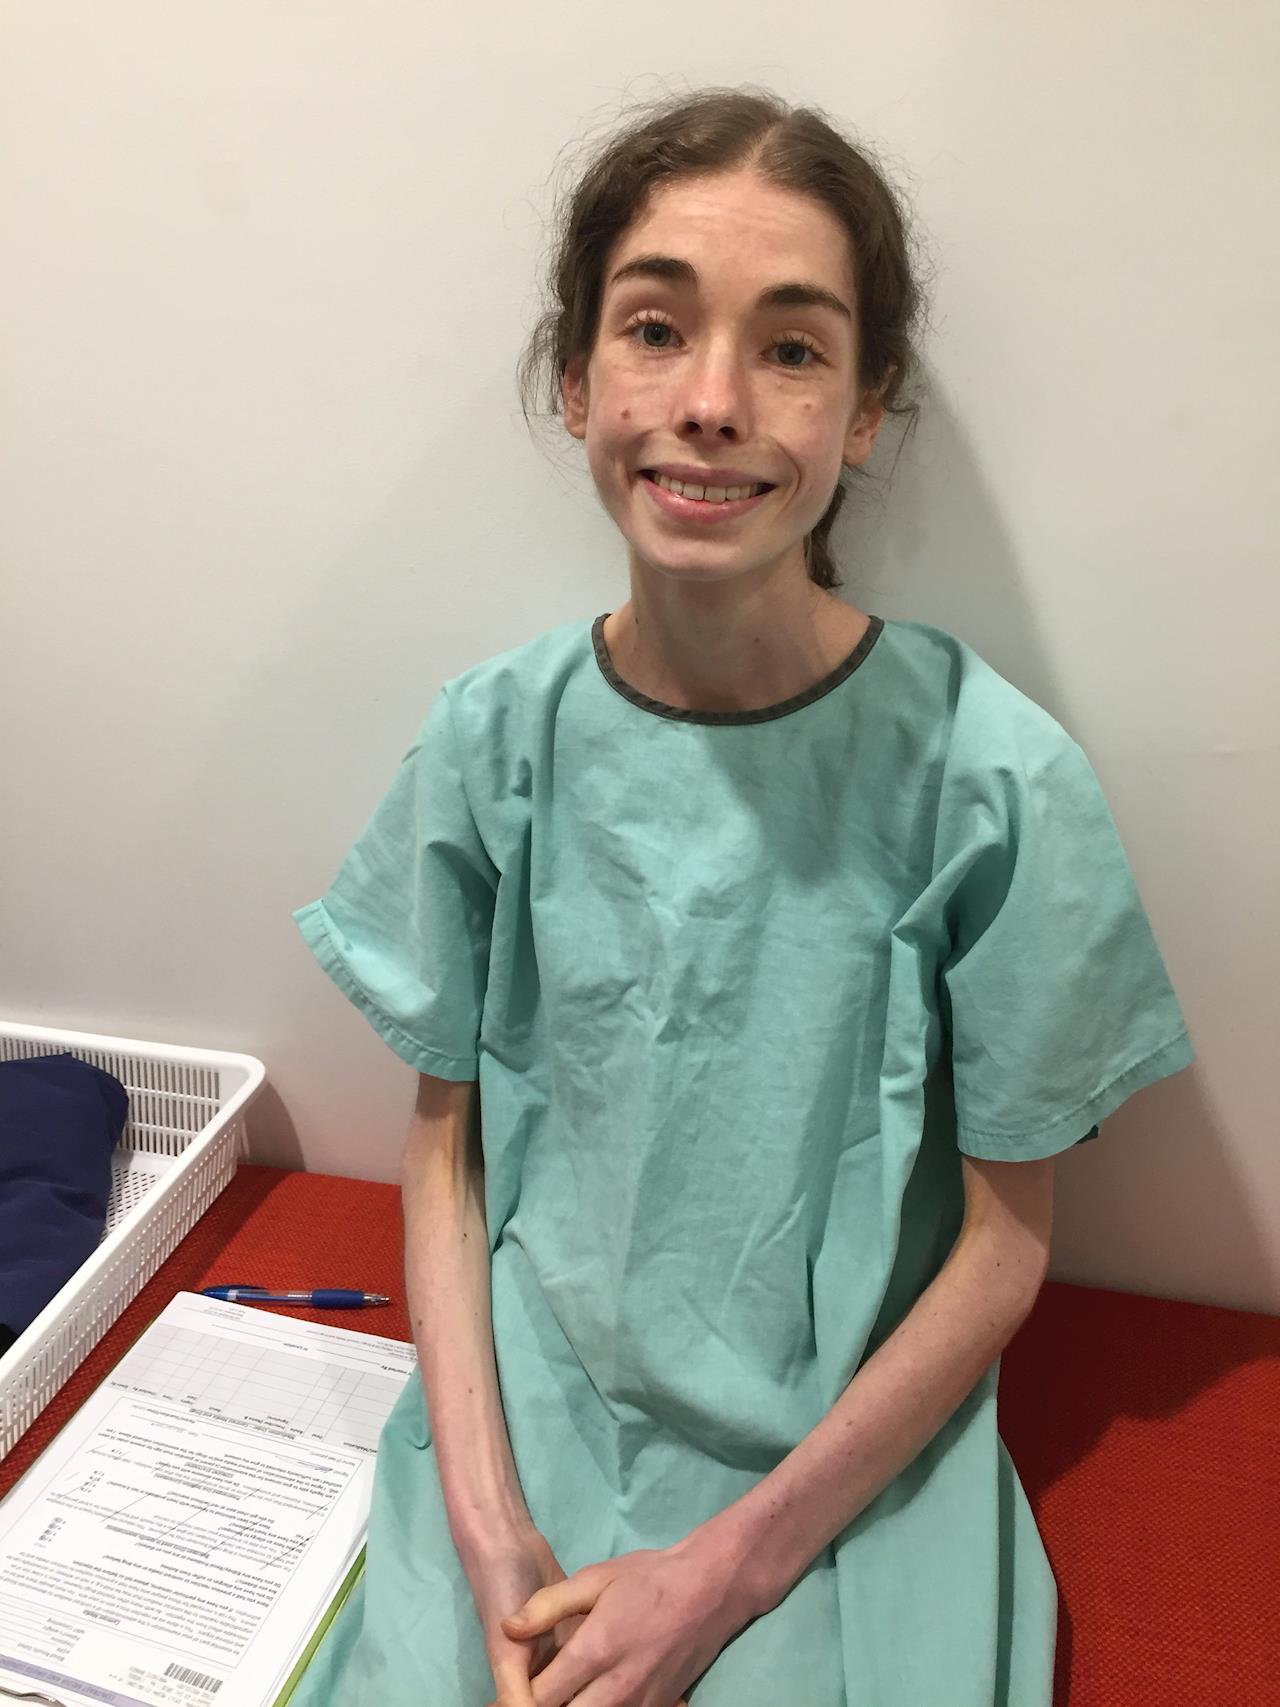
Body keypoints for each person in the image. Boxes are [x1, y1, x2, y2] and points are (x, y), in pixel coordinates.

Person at [290, 85, 1195, 1707]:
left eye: (790, 348)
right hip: (523, 1418)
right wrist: (487, 1529)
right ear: (577, 380)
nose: (710, 404)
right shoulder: (492, 739)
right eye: (654, 329)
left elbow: (1006, 1244)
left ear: (866, 410)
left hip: (848, 1466)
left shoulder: (994, 780)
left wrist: (732, 1571)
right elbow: (445, 1142)